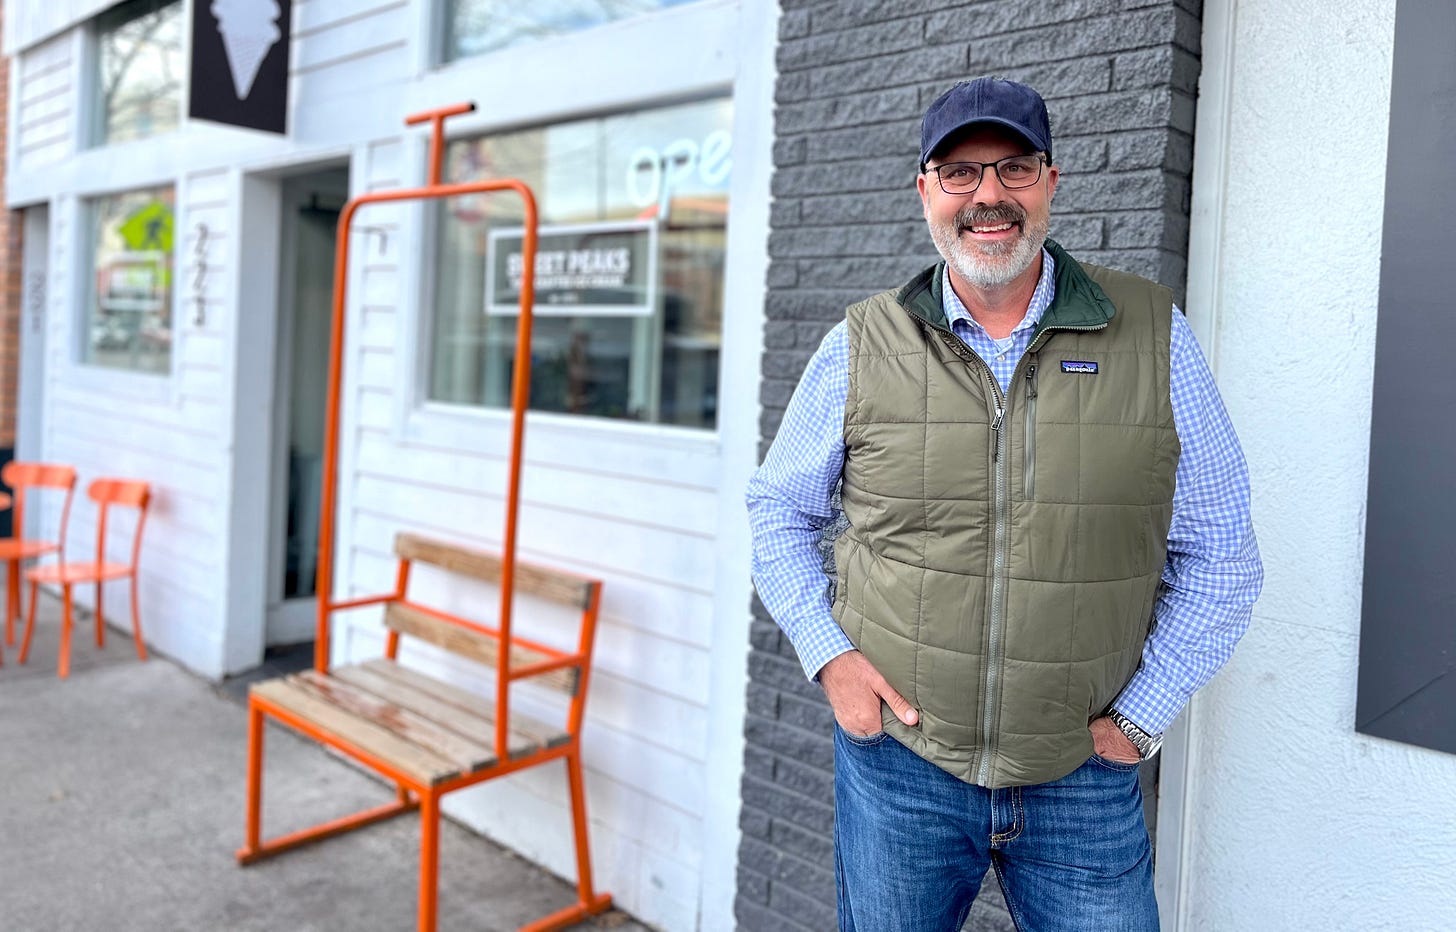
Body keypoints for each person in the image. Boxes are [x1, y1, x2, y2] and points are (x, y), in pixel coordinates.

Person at [746, 77, 1263, 931]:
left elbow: (1222, 554)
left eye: (1013, 168)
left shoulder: (1154, 336)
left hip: (1081, 781)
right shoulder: (860, 344)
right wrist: (829, 655)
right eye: (959, 172)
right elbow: (778, 511)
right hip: (901, 771)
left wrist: (1140, 718)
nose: (988, 195)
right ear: (925, 192)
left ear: (1050, 182)